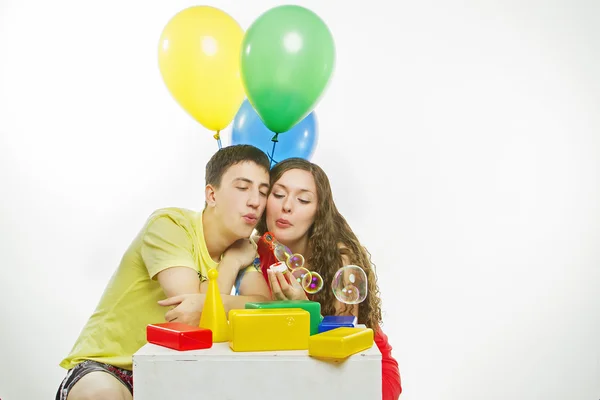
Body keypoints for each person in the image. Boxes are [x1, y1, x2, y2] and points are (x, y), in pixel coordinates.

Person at [56, 145, 272, 400]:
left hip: (175, 376)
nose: (255, 201)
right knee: (101, 394)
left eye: (263, 191)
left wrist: (215, 290)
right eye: (243, 187)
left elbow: (264, 305)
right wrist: (231, 264)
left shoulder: (244, 246)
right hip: (110, 368)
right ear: (212, 195)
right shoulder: (169, 225)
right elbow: (190, 319)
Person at [242, 157, 402, 399]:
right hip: (300, 370)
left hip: (360, 369)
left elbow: (342, 341)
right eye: (278, 194)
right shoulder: (258, 248)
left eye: (303, 199)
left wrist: (304, 306)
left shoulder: (341, 258)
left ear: (318, 211)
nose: (287, 206)